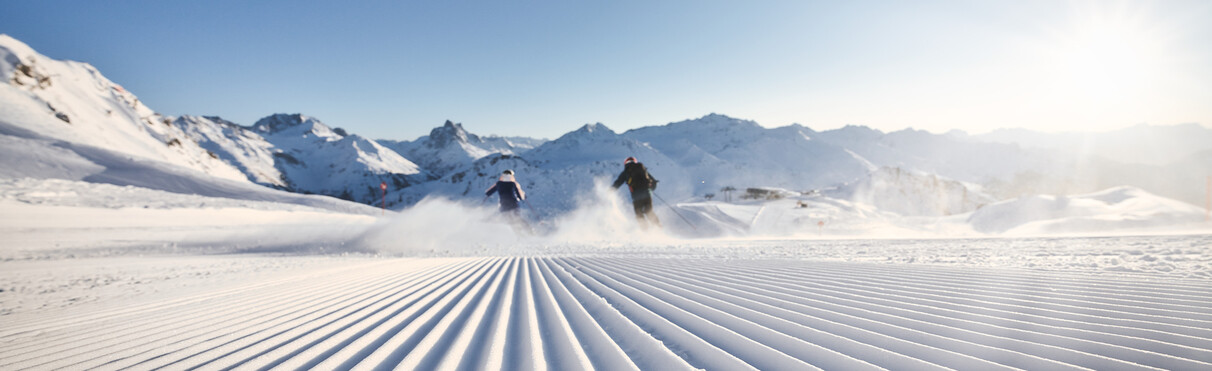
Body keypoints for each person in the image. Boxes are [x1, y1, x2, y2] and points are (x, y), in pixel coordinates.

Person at [611, 157, 661, 228]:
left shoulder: (626, 172)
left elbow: (618, 182)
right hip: (647, 194)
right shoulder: (642, 169)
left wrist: (610, 190)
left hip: (636, 197)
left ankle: (646, 231)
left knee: (639, 214)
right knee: (648, 211)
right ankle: (658, 227)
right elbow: (653, 182)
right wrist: (650, 190)